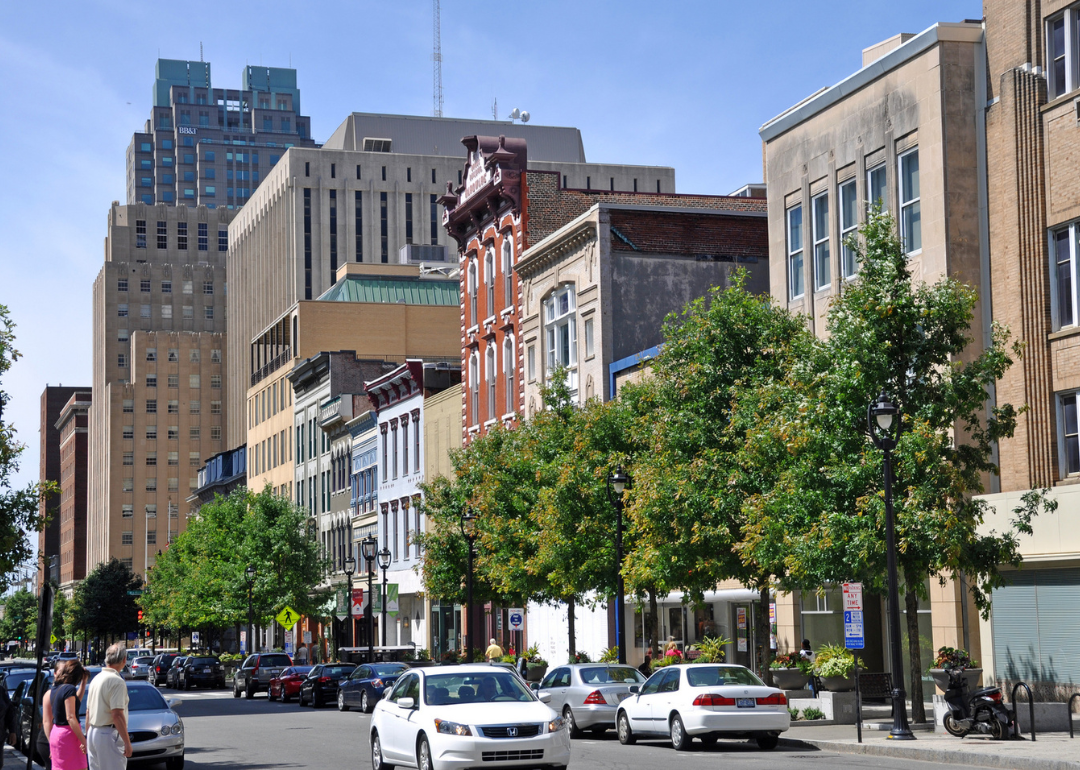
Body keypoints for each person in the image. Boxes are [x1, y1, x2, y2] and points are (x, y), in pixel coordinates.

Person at [86, 643, 132, 770]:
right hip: (108, 734)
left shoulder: (96, 679)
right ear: (124, 660)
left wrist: (87, 735)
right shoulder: (117, 681)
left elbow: (88, 711)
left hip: (93, 732)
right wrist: (127, 743)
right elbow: (117, 714)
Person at [47, 660, 89, 769]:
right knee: (79, 767)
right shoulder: (69, 689)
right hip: (69, 735)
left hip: (57, 733)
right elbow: (70, 717)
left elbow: (75, 702)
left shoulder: (56, 688)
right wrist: (83, 740)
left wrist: (84, 682)